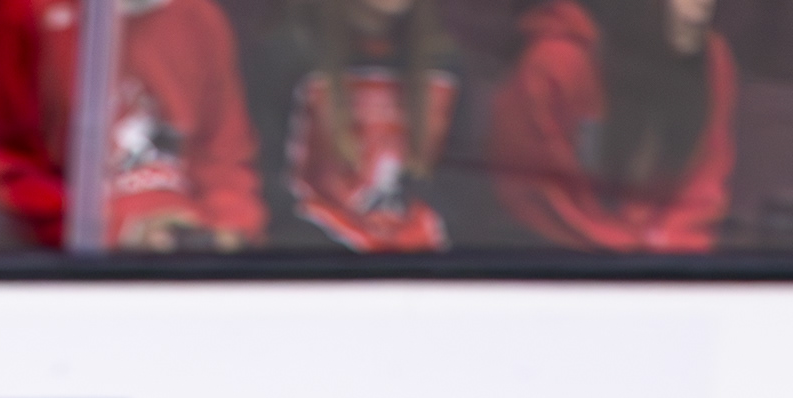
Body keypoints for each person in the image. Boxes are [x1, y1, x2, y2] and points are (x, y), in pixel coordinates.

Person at [0, 0, 267, 248]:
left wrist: (227, 229)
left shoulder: (197, 17)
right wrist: (118, 230)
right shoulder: (15, 17)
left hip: (191, 256)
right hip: (78, 267)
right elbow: (2, 167)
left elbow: (224, 156)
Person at [490, 0, 737, 252]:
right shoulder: (555, 65)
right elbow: (542, 202)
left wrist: (667, 251)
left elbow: (704, 183)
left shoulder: (712, 61)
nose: (701, 6)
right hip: (571, 262)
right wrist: (632, 258)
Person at [251, 0, 461, 249]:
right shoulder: (287, 57)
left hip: (425, 255)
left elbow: (464, 191)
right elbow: (266, 179)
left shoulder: (447, 64)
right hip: (316, 253)